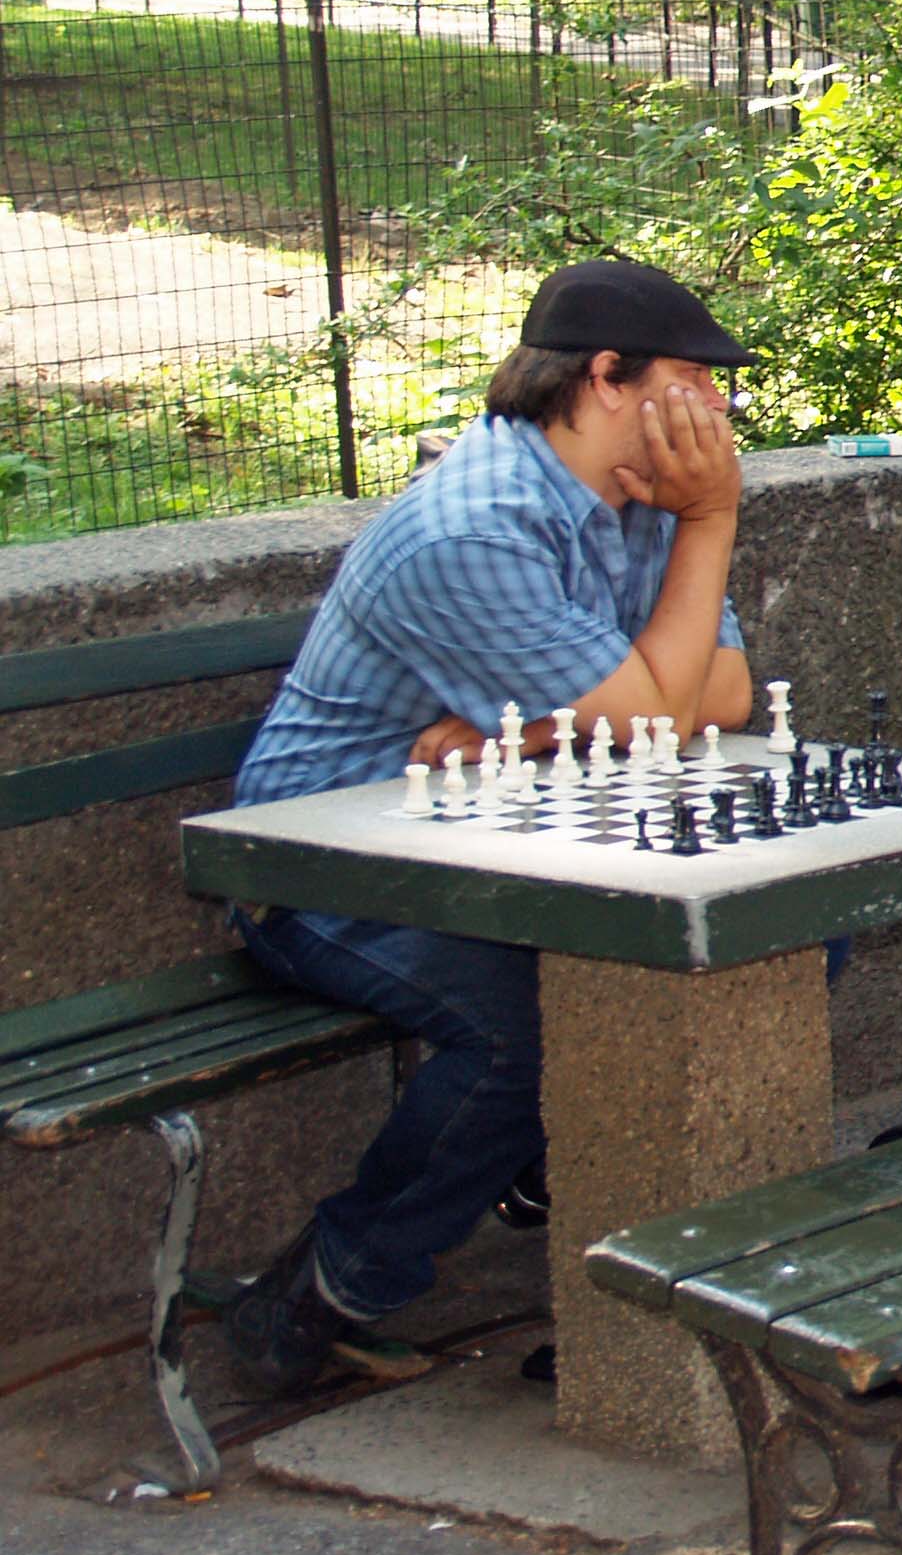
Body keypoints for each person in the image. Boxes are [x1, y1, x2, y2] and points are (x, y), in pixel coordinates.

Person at [219, 260, 761, 1395]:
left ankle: (549, 1171)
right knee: (519, 1036)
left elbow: (725, 698)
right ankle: (329, 1289)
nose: (720, 415)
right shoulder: (474, 528)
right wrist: (710, 526)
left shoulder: (638, 502)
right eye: (699, 383)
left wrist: (543, 726)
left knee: (781, 938)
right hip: (329, 866)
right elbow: (662, 709)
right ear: (607, 378)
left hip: (502, 847)